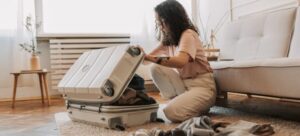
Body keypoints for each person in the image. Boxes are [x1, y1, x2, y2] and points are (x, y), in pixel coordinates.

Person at [138, 0, 217, 122]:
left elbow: (181, 61)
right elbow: (146, 61)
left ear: (173, 20)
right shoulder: (169, 40)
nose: (161, 27)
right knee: (156, 67)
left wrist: (149, 58)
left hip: (202, 87)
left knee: (171, 113)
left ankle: (196, 107)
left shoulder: (188, 34)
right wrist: (138, 54)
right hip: (183, 84)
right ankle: (179, 102)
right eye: (158, 23)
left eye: (162, 22)